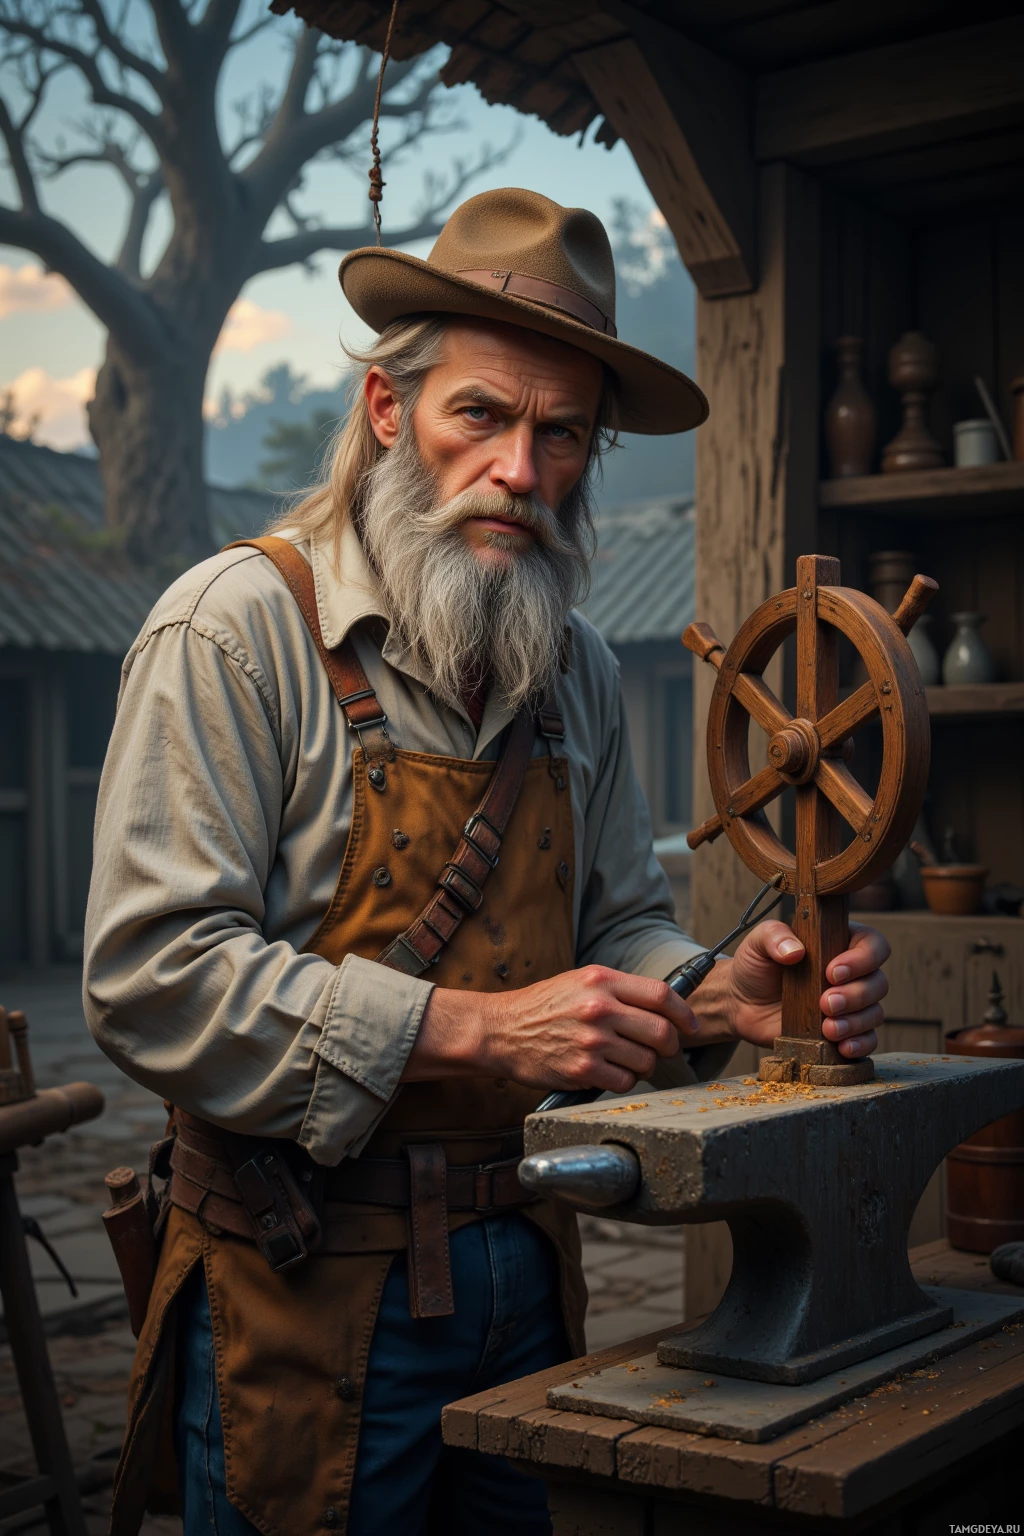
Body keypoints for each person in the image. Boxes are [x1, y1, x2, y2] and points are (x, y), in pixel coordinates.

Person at [85, 188, 889, 1536]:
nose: (521, 470)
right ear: (392, 410)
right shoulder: (236, 632)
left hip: (526, 1267)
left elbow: (617, 919)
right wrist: (470, 1030)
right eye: (482, 416)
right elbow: (151, 975)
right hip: (303, 1281)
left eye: (561, 433)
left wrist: (710, 989)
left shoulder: (571, 662)